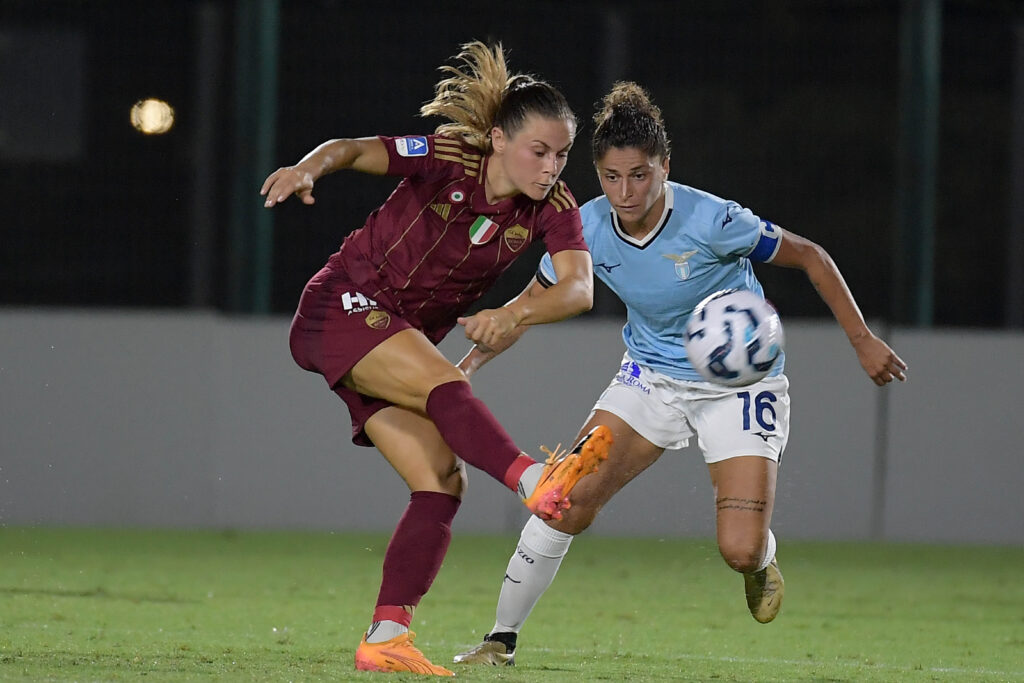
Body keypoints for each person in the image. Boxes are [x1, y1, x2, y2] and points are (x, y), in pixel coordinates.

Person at [451, 82, 908, 666]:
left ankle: (761, 561)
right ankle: (500, 641)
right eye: (612, 177)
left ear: (665, 166)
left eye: (639, 175)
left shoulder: (713, 220)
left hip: (740, 386)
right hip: (650, 379)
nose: (626, 191)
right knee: (560, 497)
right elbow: (526, 307)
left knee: (738, 551)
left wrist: (863, 339)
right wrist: (465, 368)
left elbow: (811, 256)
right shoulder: (585, 229)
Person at [260, 41, 614, 676]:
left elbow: (579, 289)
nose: (551, 167)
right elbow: (351, 148)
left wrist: (515, 313)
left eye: (562, 154)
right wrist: (309, 168)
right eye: (540, 151)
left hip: (393, 338)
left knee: (442, 481)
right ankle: (534, 481)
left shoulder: (551, 209)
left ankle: (386, 636)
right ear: (500, 139)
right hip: (344, 303)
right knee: (441, 382)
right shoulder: (451, 157)